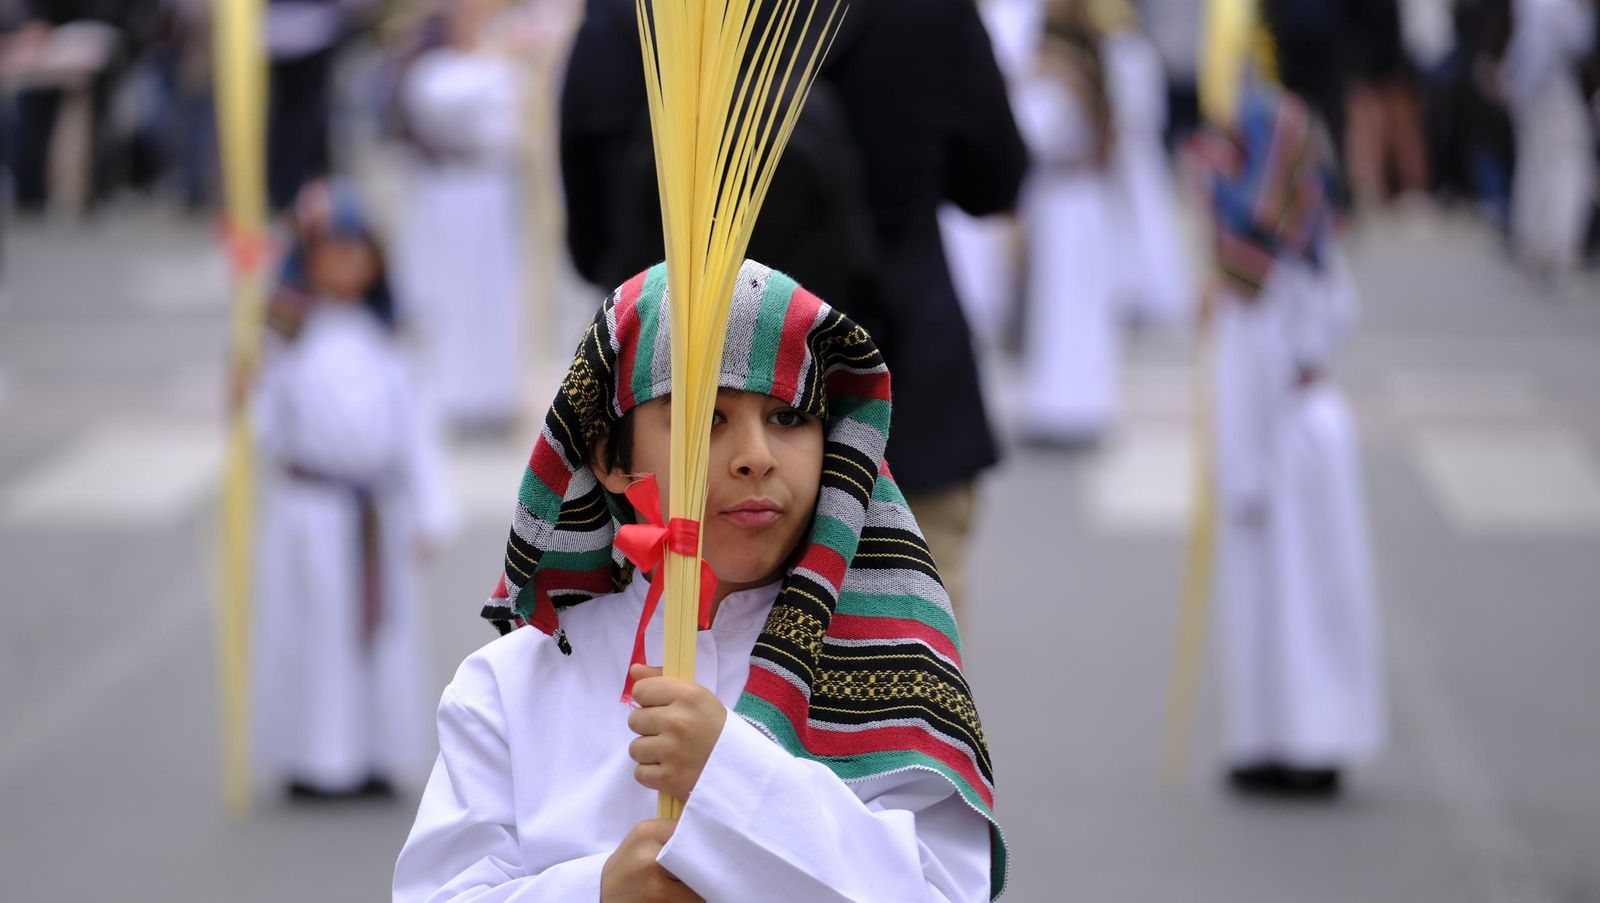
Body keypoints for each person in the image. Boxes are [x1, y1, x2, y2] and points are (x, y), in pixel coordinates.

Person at [394, 259, 1005, 901]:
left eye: (789, 418)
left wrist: (728, 773)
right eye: (707, 416)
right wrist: (599, 892)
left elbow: (943, 890)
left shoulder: (890, 676)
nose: (756, 457)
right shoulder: (508, 688)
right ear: (608, 457)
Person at [558, 0, 1028, 625]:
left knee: (678, 699)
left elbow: (592, 247)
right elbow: (994, 182)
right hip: (895, 416)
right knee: (900, 695)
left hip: (679, 441)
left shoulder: (632, 16)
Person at [1190, 70, 1385, 798]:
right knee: (1272, 595)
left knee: (1305, 595)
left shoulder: (1269, 269)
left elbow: (1260, 362)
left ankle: (1312, 738)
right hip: (1287, 432)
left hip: (1286, 435)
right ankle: (1272, 735)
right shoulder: (1302, 254)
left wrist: (1237, 465)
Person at [249, 178, 455, 801]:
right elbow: (263, 426)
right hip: (309, 513)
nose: (345, 264)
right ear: (304, 259)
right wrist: (245, 387)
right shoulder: (284, 343)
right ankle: (313, 759)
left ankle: (371, 752)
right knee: (313, 635)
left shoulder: (392, 342)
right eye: (330, 251)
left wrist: (427, 510)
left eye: (357, 251)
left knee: (376, 637)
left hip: (375, 514)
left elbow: (417, 429)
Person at [392, 0, 526, 434]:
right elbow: (442, 99)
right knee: (443, 291)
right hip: (445, 192)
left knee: (490, 295)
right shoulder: (431, 68)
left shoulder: (496, 58)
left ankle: (490, 393)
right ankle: (445, 391)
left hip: (488, 191)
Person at [1014, 2, 1122, 447]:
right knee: (1068, 306)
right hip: (1077, 200)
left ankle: (1068, 406)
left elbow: (1035, 135)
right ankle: (1067, 403)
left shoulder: (1060, 81)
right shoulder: (1093, 64)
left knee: (1066, 305)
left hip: (1066, 199)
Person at [1503, 0, 1597, 279]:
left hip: (1533, 86)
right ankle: (1558, 248)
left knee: (1536, 164)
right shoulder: (1557, 7)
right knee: (1565, 167)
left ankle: (1533, 241)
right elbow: (1575, 40)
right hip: (1553, 88)